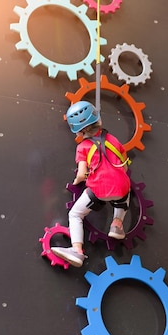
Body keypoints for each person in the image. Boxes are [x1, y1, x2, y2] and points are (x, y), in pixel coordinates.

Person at [51, 101, 131, 267]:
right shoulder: (113, 140)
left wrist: (77, 180)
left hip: (99, 190)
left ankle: (77, 251)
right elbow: (124, 166)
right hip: (122, 187)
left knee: (75, 215)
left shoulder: (83, 147)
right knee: (124, 193)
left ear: (79, 131)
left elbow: (81, 173)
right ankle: (117, 224)